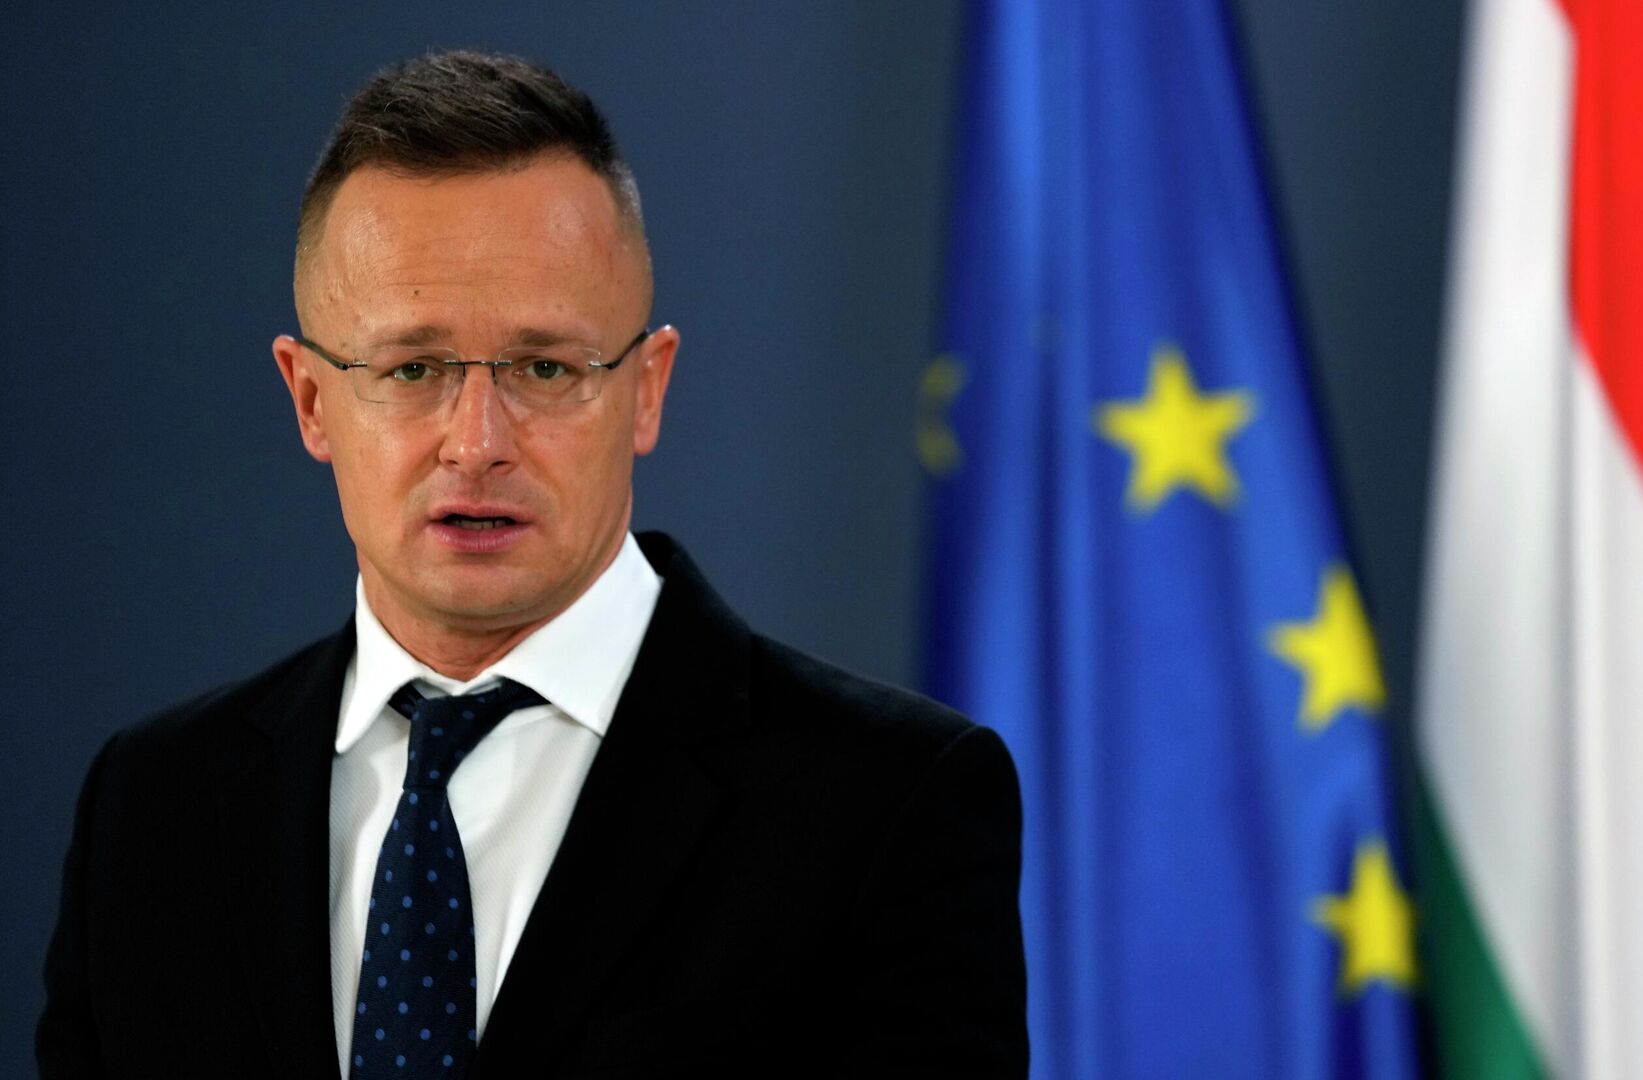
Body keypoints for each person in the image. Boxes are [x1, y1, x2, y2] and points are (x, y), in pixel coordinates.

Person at [37, 50, 1026, 1079]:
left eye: (545, 367)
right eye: (412, 369)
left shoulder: (886, 805)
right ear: (311, 401)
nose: (477, 442)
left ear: (647, 390)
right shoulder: (152, 809)